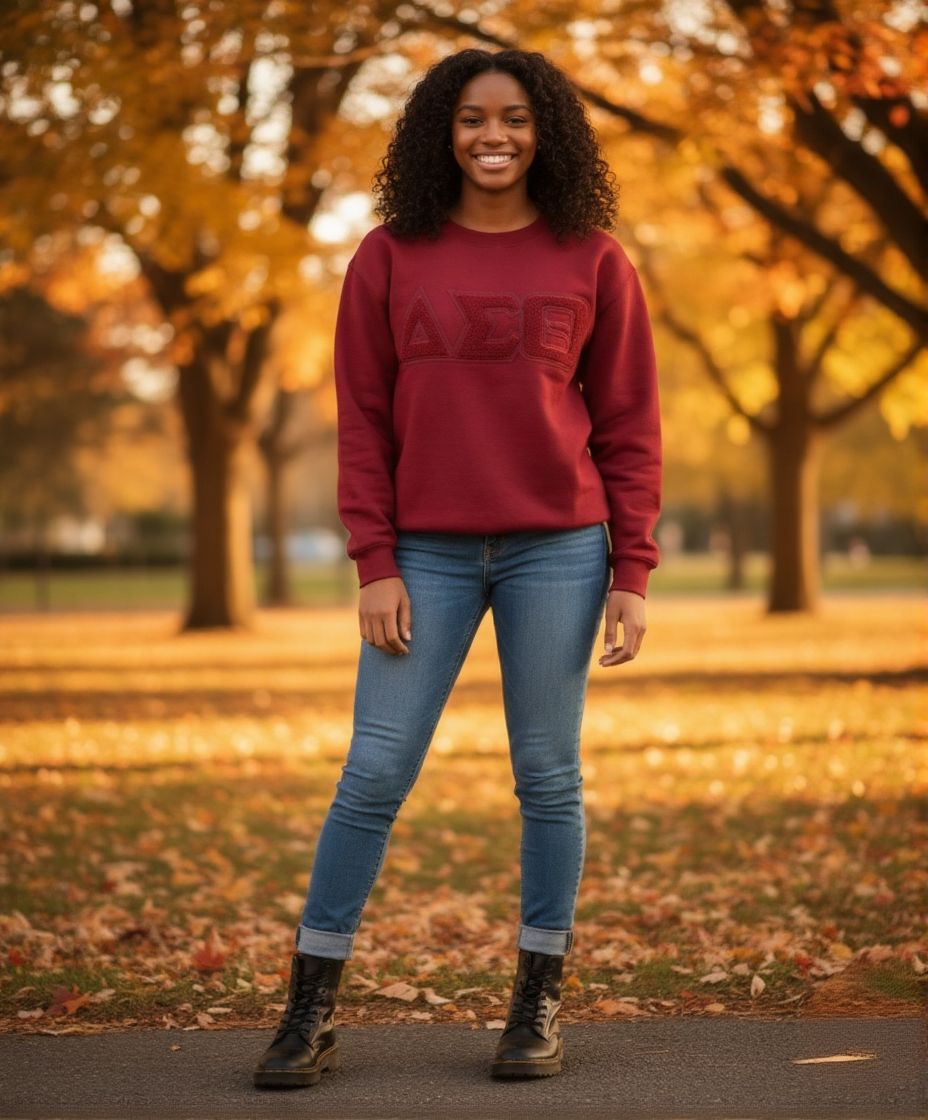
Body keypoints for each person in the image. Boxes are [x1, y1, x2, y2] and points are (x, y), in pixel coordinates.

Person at [253, 45, 662, 1089]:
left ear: (545, 133)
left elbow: (628, 426)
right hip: (423, 555)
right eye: (474, 117)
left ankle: (535, 1006)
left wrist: (631, 571)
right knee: (373, 773)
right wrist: (374, 560)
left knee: (549, 776)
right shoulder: (389, 256)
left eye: (516, 118)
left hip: (558, 551)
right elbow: (362, 421)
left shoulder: (593, 259)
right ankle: (308, 1011)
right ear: (442, 132)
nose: (494, 136)